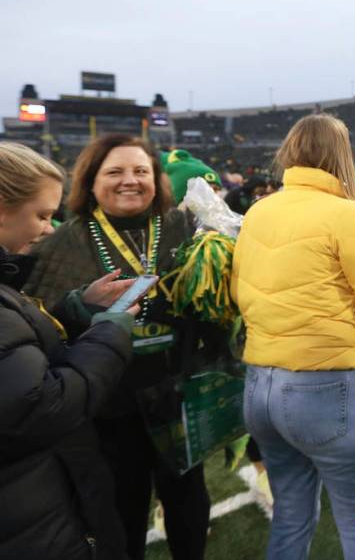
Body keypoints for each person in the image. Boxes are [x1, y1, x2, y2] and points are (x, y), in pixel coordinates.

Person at [232, 115, 355, 560]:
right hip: (323, 387)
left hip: (260, 385)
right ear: (340, 156)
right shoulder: (346, 214)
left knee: (290, 513)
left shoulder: (259, 210)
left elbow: (237, 290)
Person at [24, 134, 214, 560]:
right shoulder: (62, 242)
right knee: (120, 518)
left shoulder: (185, 228)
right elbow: (41, 328)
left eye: (141, 171)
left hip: (177, 397)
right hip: (106, 411)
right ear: (90, 181)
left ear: (157, 179)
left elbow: (213, 303)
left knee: (189, 508)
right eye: (115, 172)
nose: (130, 181)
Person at [0, 142, 136, 559]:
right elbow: (41, 406)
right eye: (41, 215)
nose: (47, 228)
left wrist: (72, 313)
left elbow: (16, 353)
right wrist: (110, 333)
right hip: (29, 519)